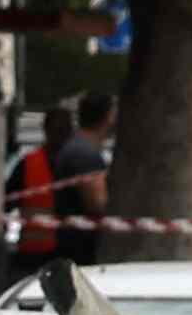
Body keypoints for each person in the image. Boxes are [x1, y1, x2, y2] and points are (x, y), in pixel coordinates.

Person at [7, 89, 117, 271]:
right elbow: (97, 204)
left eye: (64, 127)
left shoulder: (70, 155)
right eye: (56, 127)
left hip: (55, 249)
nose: (60, 133)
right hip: (40, 253)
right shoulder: (76, 156)